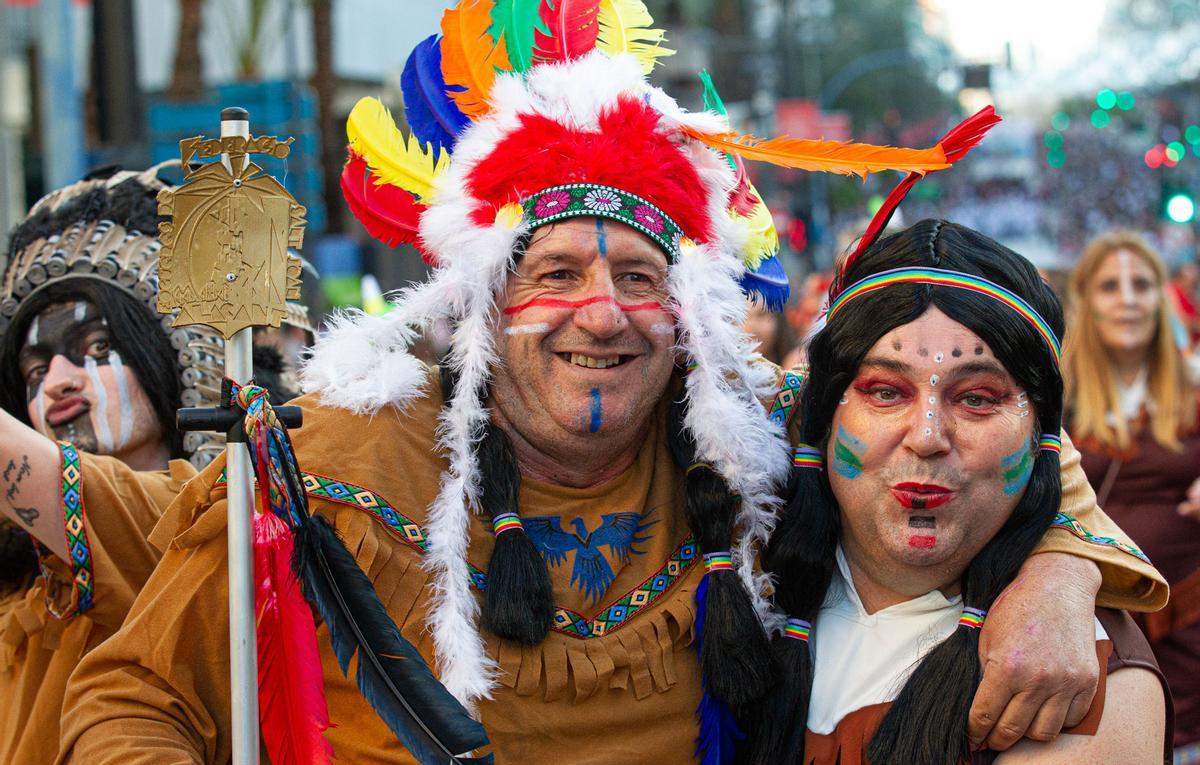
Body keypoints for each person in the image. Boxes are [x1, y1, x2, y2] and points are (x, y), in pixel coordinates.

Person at [59, 5, 1164, 763]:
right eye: (557, 274)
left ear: (687, 323)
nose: (603, 312)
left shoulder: (751, 440)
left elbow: (970, 443)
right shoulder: (321, 464)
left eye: (641, 276)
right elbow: (132, 695)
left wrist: (1062, 581)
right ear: (484, 305)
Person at [748, 219, 1170, 765]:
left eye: (976, 398)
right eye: (884, 391)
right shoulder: (734, 567)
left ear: (1043, 434)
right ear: (822, 416)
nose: (926, 437)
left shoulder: (1082, 678)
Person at [0, 165, 222, 763]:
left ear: (168, 361)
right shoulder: (20, 574)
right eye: (34, 370)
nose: (57, 384)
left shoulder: (205, 519)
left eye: (95, 349)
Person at [1065, 230, 1200, 761]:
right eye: (1110, 286)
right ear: (1087, 303)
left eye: (1142, 285)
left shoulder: (1194, 386)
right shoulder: (1054, 395)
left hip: (1191, 628)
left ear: (1160, 297)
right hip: (1094, 629)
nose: (1127, 298)